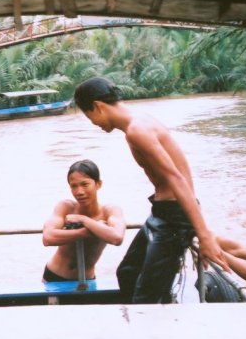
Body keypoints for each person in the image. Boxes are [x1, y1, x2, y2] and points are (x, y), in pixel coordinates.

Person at [73, 77, 229, 304]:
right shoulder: (137, 124)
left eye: (89, 117)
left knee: (146, 296)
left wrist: (204, 235)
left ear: (97, 106)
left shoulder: (138, 130)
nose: (94, 124)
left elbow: (176, 178)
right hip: (161, 212)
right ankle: (152, 311)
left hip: (175, 218)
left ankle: (150, 328)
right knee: (127, 271)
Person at [42, 159, 126, 282]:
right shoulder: (66, 207)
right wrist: (86, 232)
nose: (79, 192)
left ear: (98, 184)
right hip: (55, 275)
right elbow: (48, 238)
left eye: (85, 184)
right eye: (74, 186)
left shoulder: (110, 211)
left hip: (87, 279)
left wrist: (84, 219)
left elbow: (117, 237)